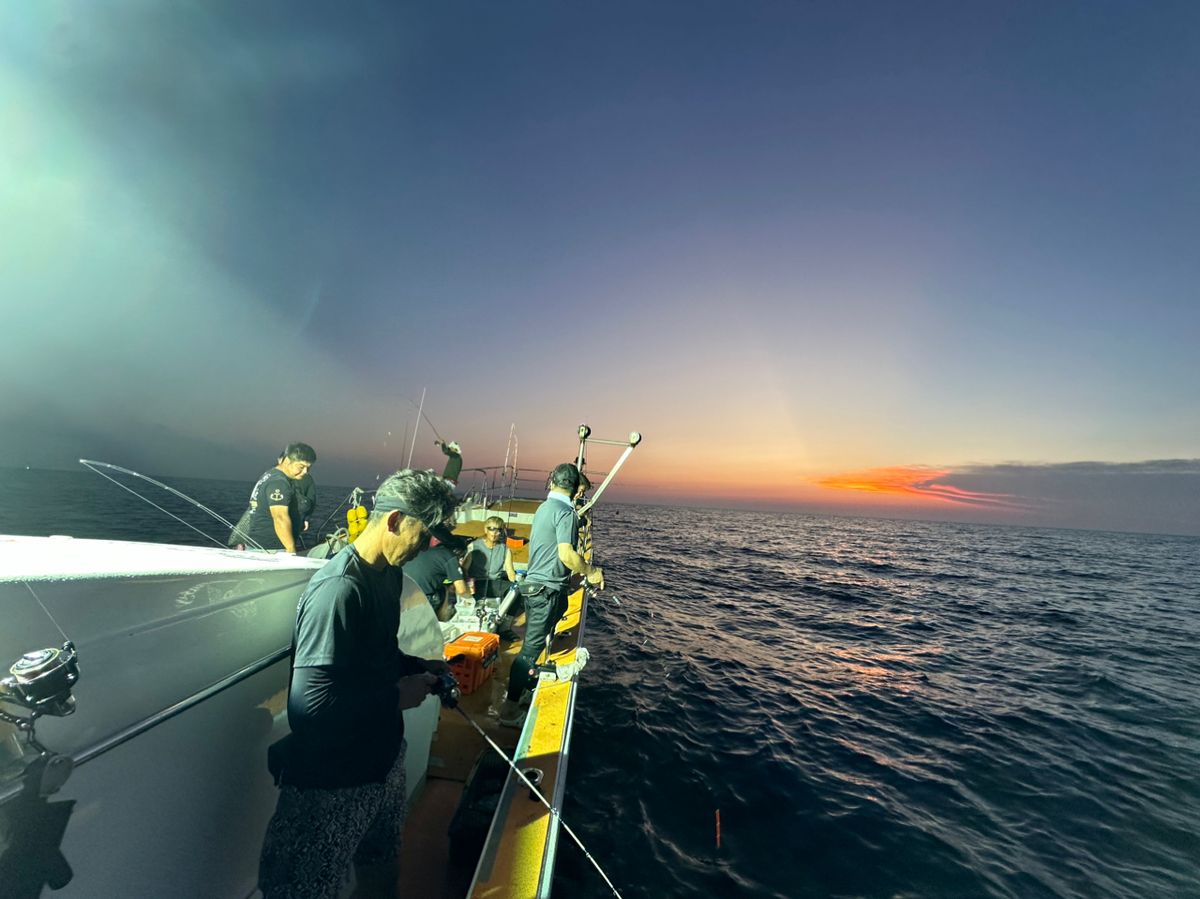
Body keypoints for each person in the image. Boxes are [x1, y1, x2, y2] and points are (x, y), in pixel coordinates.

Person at [258, 468, 458, 899]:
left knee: (381, 864)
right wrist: (395, 697)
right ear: (393, 521)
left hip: (383, 765)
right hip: (330, 785)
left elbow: (376, 655)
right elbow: (309, 709)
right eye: (423, 536)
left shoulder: (386, 573)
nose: (426, 548)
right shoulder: (339, 589)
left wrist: (415, 665)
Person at [498, 462, 603, 727]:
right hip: (545, 591)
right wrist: (591, 571)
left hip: (535, 589)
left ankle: (524, 689)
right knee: (528, 652)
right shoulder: (565, 513)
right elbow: (566, 555)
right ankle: (509, 711)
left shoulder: (545, 508)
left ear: (551, 481)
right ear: (576, 490)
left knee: (558, 612)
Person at [230, 443, 317, 554]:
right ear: (286, 461)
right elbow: (280, 517)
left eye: (308, 467)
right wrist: (291, 550)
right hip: (270, 549)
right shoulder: (279, 483)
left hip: (257, 545)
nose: (305, 472)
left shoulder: (269, 475)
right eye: (301, 467)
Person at [401, 537, 470, 619]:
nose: (460, 560)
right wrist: (471, 599)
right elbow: (462, 590)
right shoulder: (450, 556)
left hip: (402, 594)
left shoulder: (428, 551)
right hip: (423, 597)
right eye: (461, 557)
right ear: (458, 552)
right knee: (444, 594)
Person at [461, 516, 517, 600]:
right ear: (485, 530)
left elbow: (510, 571)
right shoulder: (473, 546)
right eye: (491, 529)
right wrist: (469, 583)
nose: (495, 533)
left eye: (499, 530)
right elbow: (464, 569)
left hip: (496, 583)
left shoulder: (505, 549)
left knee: (515, 591)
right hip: (477, 583)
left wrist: (515, 586)